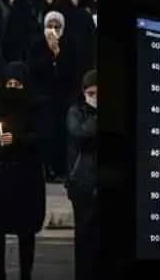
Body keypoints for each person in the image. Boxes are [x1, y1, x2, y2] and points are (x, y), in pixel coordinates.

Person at [0, 62, 46, 280]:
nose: (12, 88)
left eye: (17, 84)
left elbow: (44, 138)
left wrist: (18, 139)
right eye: (9, 83)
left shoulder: (36, 105)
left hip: (26, 176)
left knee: (25, 230)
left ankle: (26, 273)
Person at [28, 11, 82, 181]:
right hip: (43, 99)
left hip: (63, 98)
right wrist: (50, 55)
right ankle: (46, 169)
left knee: (61, 135)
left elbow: (72, 71)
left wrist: (58, 53)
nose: (53, 30)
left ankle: (60, 170)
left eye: (57, 27)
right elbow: (33, 69)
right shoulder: (37, 44)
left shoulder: (69, 44)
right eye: (50, 26)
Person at [66, 71, 98, 280]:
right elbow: (79, 134)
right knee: (84, 235)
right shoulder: (76, 111)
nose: (94, 97)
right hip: (83, 181)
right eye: (91, 93)